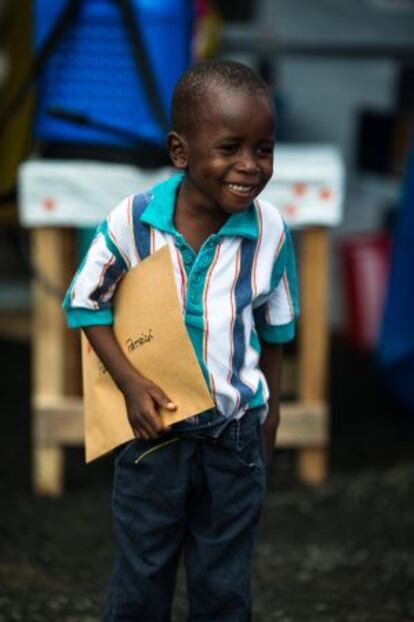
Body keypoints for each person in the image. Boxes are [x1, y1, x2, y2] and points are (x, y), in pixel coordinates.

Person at [63, 59, 299, 622]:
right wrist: (130, 383)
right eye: (229, 148)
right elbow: (83, 302)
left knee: (224, 584)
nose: (249, 166)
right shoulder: (134, 221)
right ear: (180, 151)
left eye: (263, 149)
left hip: (234, 438)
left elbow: (277, 329)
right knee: (142, 577)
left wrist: (270, 415)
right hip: (154, 437)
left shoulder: (270, 233)